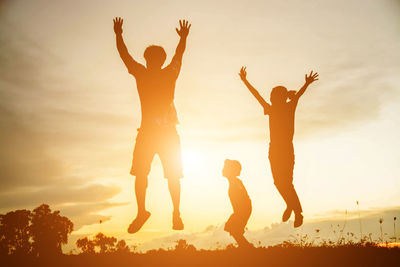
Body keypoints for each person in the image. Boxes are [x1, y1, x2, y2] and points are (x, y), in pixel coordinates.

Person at [113, 17, 191, 233]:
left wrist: (118, 35)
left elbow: (124, 55)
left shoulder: (142, 73)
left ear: (147, 59)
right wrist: (183, 38)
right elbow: (179, 55)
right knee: (168, 175)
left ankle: (148, 212)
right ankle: (173, 213)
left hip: (153, 134)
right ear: (159, 59)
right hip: (163, 134)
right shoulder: (169, 72)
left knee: (142, 174)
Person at [238, 67, 319, 228]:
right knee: (278, 183)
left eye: (273, 96)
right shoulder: (273, 108)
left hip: (286, 150)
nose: (270, 98)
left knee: (286, 183)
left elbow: (297, 96)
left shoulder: (289, 107)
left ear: (279, 97)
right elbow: (257, 96)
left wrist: (306, 84)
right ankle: (290, 204)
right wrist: (245, 81)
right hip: (274, 150)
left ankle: (298, 212)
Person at [222, 159, 253, 248]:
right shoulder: (234, 182)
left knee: (233, 228)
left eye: (225, 168)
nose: (223, 170)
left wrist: (240, 213)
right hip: (241, 210)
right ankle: (245, 246)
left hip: (243, 210)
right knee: (234, 229)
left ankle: (246, 247)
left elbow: (243, 198)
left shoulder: (236, 182)